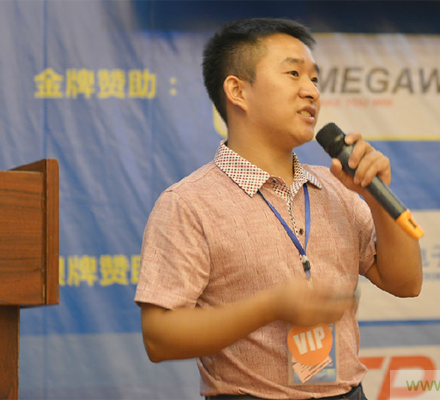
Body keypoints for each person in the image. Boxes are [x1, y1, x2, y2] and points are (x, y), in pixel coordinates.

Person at [135, 17, 422, 400]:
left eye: (315, 79)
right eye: (293, 74)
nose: (311, 91)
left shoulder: (336, 187)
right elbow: (159, 338)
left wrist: (374, 194)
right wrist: (271, 306)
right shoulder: (188, 203)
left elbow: (406, 283)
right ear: (237, 91)